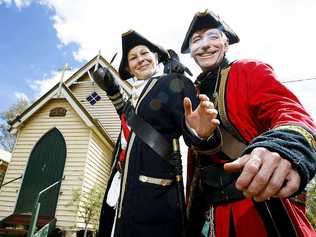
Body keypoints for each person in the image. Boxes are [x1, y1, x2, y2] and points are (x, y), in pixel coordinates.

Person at [181, 9, 316, 237]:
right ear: (192, 54)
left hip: (260, 207)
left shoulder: (248, 70)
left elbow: (288, 110)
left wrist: (283, 145)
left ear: (226, 43)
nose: (204, 45)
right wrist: (203, 137)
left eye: (213, 36)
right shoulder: (191, 94)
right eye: (196, 41)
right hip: (212, 213)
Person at [94, 30, 222, 237]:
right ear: (128, 68)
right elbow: (132, 121)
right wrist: (112, 91)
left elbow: (194, 134)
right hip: (121, 188)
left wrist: (201, 131)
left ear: (157, 57)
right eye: (133, 58)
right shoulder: (135, 98)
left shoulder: (173, 83)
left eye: (145, 53)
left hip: (156, 194)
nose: (140, 60)